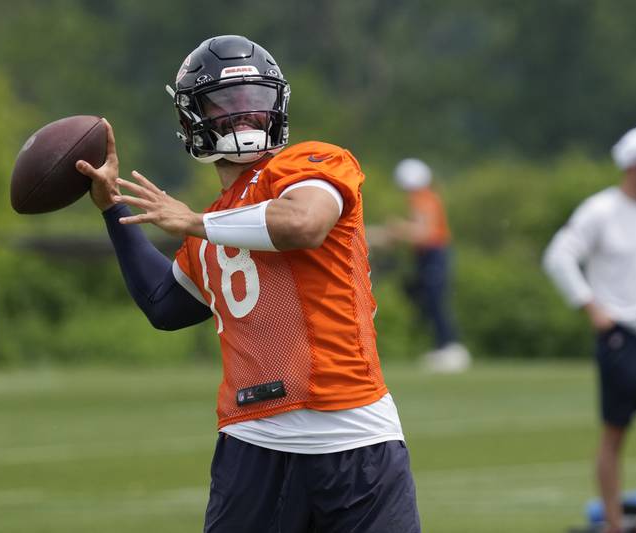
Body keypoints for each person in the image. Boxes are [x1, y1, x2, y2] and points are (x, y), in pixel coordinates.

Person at [75, 35, 421, 532]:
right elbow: (164, 305)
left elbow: (304, 225)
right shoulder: (215, 221)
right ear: (193, 117)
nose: (243, 117)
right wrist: (112, 207)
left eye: (254, 102)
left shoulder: (310, 164)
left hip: (355, 437)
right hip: (254, 445)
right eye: (225, 104)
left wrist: (195, 223)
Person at [543, 126, 636, 533]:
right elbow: (559, 256)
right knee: (615, 433)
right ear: (635, 165)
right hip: (622, 334)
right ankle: (611, 524)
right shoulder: (600, 210)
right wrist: (590, 305)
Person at [383, 158, 470, 373]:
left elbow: (425, 233)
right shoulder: (424, 197)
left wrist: (399, 229)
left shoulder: (423, 199)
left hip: (434, 254)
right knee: (427, 300)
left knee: (435, 301)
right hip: (428, 256)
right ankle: (443, 346)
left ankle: (450, 347)